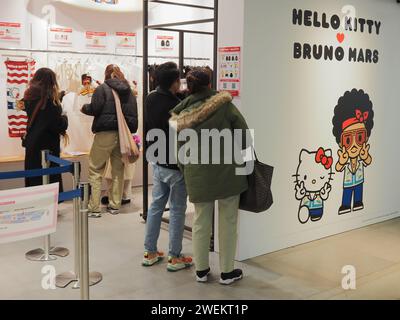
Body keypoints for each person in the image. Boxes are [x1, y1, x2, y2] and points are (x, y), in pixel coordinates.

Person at [170, 68, 249, 285]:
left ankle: (201, 271)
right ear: (210, 83)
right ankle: (226, 272)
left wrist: (188, 171)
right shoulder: (224, 106)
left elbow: (178, 151)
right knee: (228, 221)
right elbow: (244, 136)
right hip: (228, 173)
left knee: (200, 221)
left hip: (198, 174)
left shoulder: (181, 115)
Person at [143, 62, 193, 272]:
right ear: (174, 81)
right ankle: (174, 256)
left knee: (156, 206)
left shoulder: (151, 97)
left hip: (157, 160)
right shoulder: (176, 105)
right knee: (177, 209)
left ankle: (150, 252)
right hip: (175, 164)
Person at [82, 64, 138, 217]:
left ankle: (94, 208)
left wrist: (84, 108)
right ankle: (115, 205)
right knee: (118, 170)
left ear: (106, 74)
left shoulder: (102, 89)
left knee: (95, 168)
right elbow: (133, 114)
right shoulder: (129, 91)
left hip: (105, 132)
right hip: (122, 135)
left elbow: (95, 108)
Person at [23, 68, 68, 192]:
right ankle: (49, 208)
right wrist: (64, 116)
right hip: (47, 145)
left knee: (34, 177)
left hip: (32, 143)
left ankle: (34, 205)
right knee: (49, 178)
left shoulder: (28, 97)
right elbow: (57, 125)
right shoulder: (50, 101)